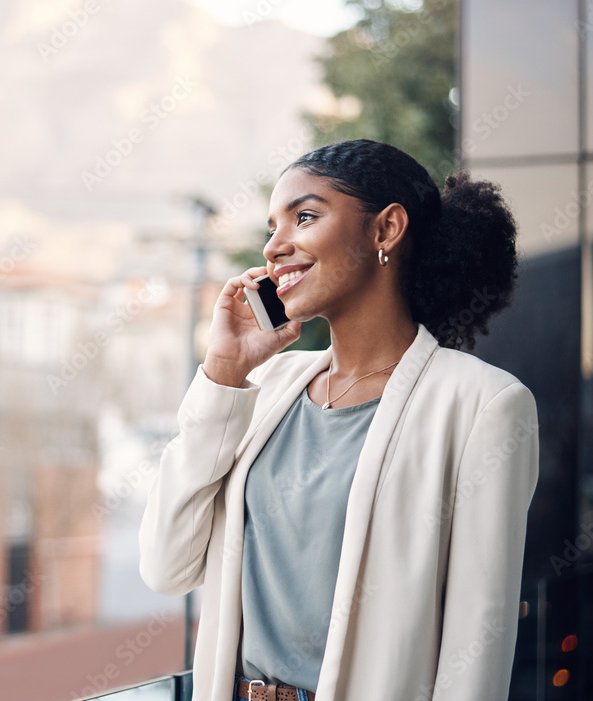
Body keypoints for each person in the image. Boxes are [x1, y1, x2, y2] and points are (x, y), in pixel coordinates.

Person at [139, 139, 539, 701]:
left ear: (386, 230)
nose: (275, 247)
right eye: (272, 226)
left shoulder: (482, 404)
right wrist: (223, 375)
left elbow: (478, 641)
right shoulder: (266, 387)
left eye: (303, 217)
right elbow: (166, 566)